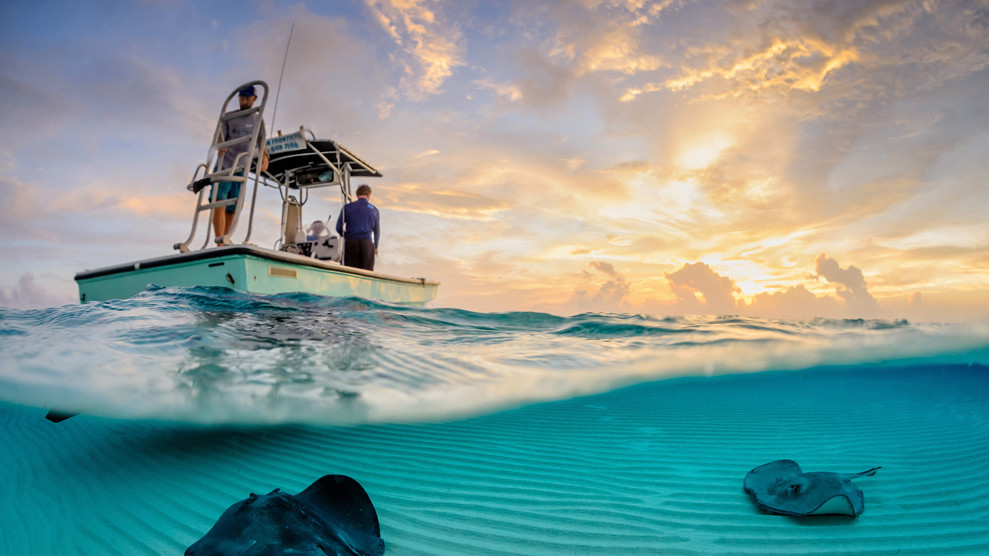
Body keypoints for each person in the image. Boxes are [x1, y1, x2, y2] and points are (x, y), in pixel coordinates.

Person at [212, 85, 266, 244]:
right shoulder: (228, 116)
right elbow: (219, 136)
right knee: (219, 201)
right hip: (225, 165)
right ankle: (219, 242)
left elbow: (261, 140)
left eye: (246, 98)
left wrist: (265, 157)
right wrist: (220, 146)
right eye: (241, 97)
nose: (243, 100)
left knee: (233, 208)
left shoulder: (257, 119)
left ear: (254, 98)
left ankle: (225, 238)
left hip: (242, 168)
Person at [335, 184, 379, 271]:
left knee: (351, 272)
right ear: (369, 194)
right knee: (367, 274)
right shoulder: (374, 210)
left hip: (351, 243)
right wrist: (376, 246)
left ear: (357, 194)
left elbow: (338, 227)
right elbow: (377, 231)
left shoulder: (347, 207)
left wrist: (348, 236)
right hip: (367, 243)